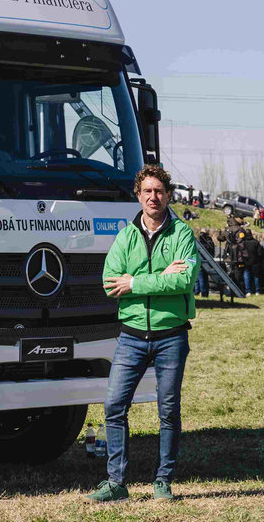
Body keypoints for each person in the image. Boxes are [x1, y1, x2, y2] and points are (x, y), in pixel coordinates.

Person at [86, 165, 199, 503]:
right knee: (114, 405)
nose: (154, 197)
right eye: (147, 191)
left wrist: (134, 281)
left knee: (168, 410)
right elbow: (110, 283)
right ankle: (116, 483)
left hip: (171, 335)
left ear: (168, 195)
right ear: (138, 195)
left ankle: (163, 480)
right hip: (131, 336)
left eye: (159, 191)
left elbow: (183, 280)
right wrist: (157, 277)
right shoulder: (125, 236)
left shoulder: (182, 234)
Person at [194, 227, 214, 298]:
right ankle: (204, 292)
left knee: (199, 278)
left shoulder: (198, 242)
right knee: (205, 278)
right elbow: (212, 252)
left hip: (199, 261)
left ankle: (199, 292)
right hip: (208, 261)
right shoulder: (210, 242)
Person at [241, 228, 262, 296]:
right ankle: (257, 291)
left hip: (246, 262)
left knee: (246, 275)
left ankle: (248, 291)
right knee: (256, 276)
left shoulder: (243, 243)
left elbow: (240, 253)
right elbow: (260, 253)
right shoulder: (256, 242)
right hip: (255, 262)